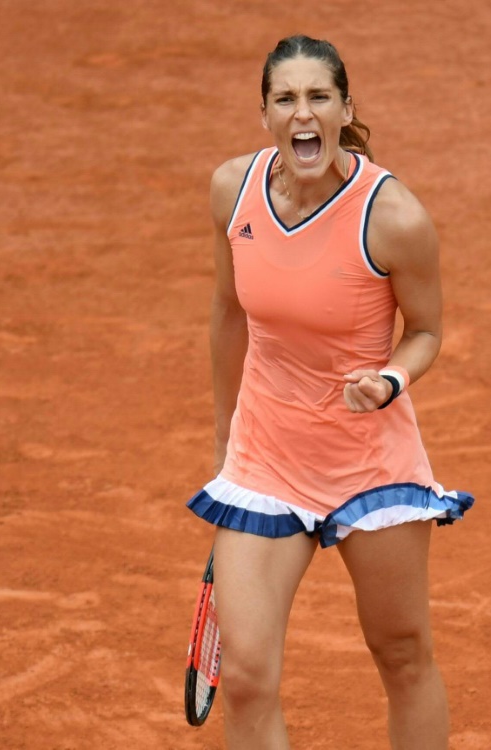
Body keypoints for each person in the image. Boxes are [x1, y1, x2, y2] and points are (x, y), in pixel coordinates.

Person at [185, 35, 474, 750]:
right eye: (285, 99)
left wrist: (389, 380)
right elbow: (228, 313)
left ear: (346, 108)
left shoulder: (394, 216)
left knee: (401, 654)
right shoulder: (233, 190)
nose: (302, 114)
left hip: (366, 461)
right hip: (265, 459)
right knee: (248, 677)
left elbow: (427, 330)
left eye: (318, 97)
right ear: (265, 115)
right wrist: (227, 434)